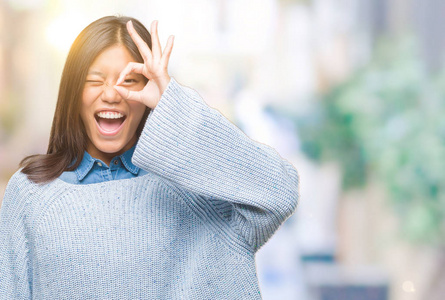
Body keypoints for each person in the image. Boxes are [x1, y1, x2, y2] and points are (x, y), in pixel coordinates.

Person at [0, 16, 299, 299]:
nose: (112, 93)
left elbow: (280, 191)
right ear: (72, 93)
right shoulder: (30, 195)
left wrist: (172, 103)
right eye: (95, 79)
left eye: (129, 80)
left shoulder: (198, 194)